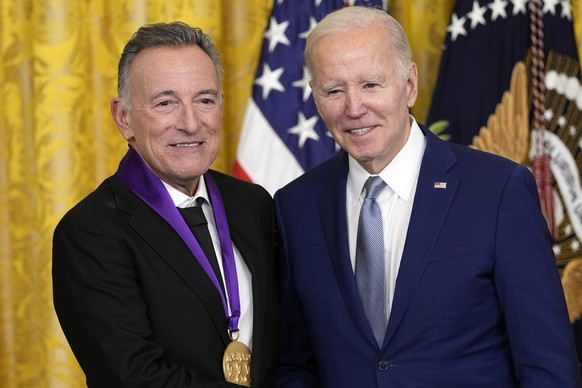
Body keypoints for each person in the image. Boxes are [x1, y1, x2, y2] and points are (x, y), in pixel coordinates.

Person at [273, 6, 581, 387]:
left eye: (371, 84)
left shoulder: (498, 191)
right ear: (316, 100)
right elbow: (293, 365)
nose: (354, 108)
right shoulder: (295, 207)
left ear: (410, 84)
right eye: (334, 90)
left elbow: (546, 366)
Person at [52, 22, 278, 387]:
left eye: (204, 100)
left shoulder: (254, 205)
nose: (190, 123)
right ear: (123, 117)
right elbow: (131, 377)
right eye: (165, 103)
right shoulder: (89, 232)